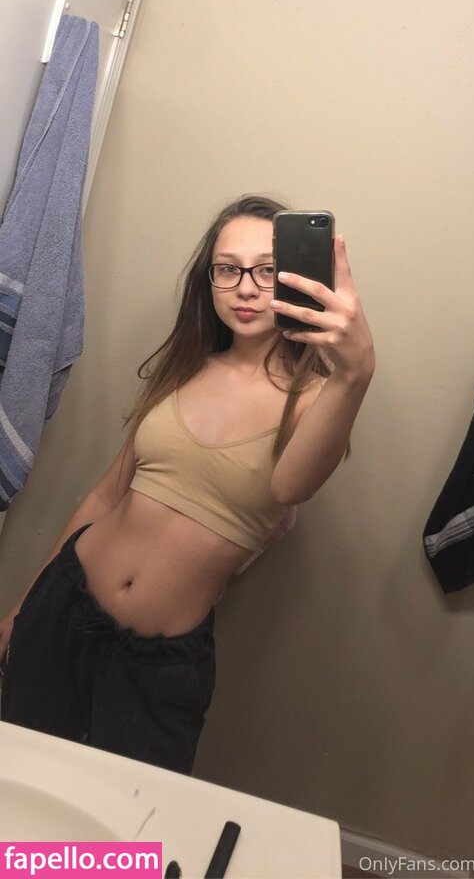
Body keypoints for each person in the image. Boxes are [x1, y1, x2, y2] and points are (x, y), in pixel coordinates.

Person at [0, 194, 374, 775]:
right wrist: (22, 609)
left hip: (156, 664)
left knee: (126, 823)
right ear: (210, 280)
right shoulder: (185, 367)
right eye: (228, 269)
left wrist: (356, 370)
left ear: (299, 279)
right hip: (62, 606)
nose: (246, 288)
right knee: (18, 784)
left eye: (267, 270)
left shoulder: (317, 400)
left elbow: (291, 487)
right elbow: (105, 497)